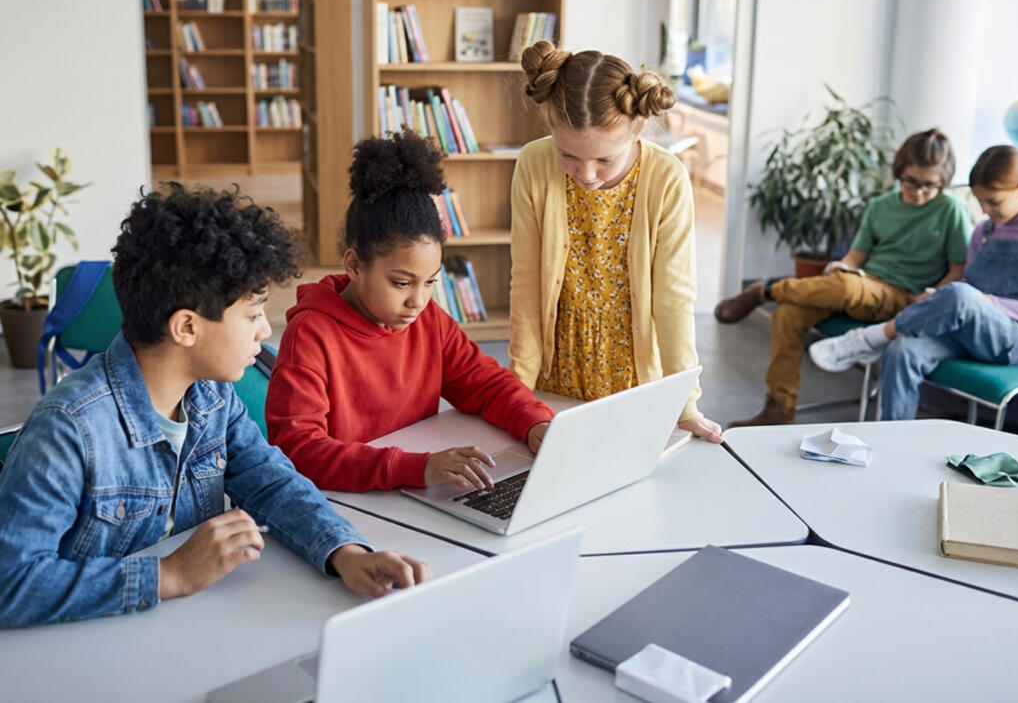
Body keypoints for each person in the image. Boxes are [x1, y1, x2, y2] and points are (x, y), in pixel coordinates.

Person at [0, 185, 430, 628]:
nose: (264, 331)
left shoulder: (210, 396)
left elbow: (271, 483)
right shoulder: (68, 431)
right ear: (186, 327)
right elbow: (10, 582)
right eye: (252, 314)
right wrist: (169, 575)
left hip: (189, 627)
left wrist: (346, 552)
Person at [266, 132, 554, 492]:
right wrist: (414, 468)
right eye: (402, 283)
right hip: (348, 500)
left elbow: (485, 383)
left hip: (410, 491)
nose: (418, 301)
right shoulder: (311, 335)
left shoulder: (428, 318)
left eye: (430, 281)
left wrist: (534, 422)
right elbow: (298, 451)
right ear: (354, 265)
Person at [508, 41, 722, 442]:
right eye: (568, 155)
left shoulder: (666, 178)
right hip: (557, 372)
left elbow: (674, 299)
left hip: (635, 379)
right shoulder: (534, 164)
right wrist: (518, 392)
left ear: (638, 130)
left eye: (605, 160)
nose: (586, 174)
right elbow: (526, 286)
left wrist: (685, 405)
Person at [715, 128, 973, 426]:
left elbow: (958, 269)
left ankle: (766, 291)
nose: (919, 191)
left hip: (906, 296)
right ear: (899, 171)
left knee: (847, 285)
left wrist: (931, 297)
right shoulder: (880, 206)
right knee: (789, 312)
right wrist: (842, 265)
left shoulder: (951, 209)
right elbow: (856, 256)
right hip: (863, 282)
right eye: (911, 182)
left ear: (943, 181)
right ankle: (779, 408)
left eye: (930, 185)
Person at [809, 145, 1018, 421]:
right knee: (902, 350)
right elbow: (968, 283)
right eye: (980, 202)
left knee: (961, 295)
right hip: (968, 329)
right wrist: (938, 298)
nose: (985, 210)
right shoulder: (984, 230)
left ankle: (871, 338)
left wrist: (986, 302)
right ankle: (893, 438)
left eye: (993, 202)